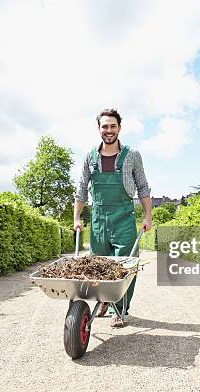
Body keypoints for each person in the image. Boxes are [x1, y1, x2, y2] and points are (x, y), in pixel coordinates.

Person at [73, 108, 152, 328]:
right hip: (98, 218)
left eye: (112, 126)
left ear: (119, 128)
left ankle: (120, 309)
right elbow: (81, 188)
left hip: (124, 217)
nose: (109, 130)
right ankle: (104, 302)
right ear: (98, 129)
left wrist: (148, 216)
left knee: (125, 266)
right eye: (104, 126)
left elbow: (143, 186)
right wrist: (77, 217)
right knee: (98, 264)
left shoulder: (132, 155)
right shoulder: (90, 156)